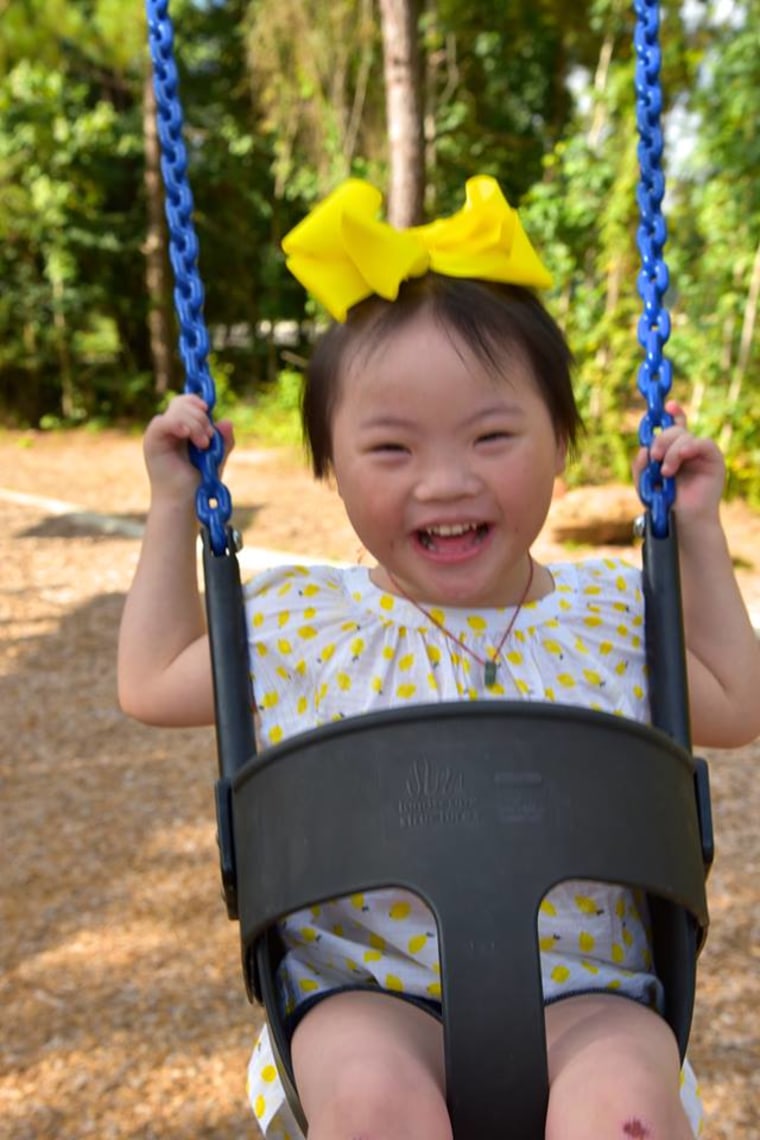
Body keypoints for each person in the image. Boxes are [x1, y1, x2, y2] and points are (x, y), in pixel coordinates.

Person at [118, 176, 760, 1140]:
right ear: (332, 466)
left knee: (628, 1106)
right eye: (390, 450)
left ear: (561, 444)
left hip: (585, 995)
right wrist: (175, 505)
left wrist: (697, 534)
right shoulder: (303, 621)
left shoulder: (615, 611)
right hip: (368, 993)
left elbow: (737, 704)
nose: (446, 481)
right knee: (373, 1103)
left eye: (493, 436)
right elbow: (149, 677)